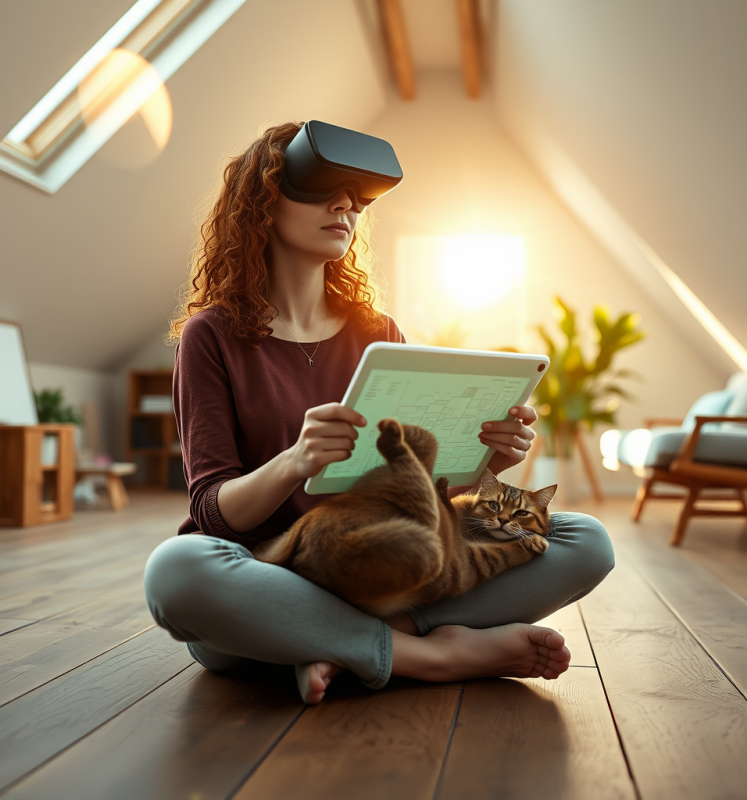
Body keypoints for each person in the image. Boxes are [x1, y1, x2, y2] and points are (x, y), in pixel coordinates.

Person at [143, 121, 615, 705]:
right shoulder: (209, 335)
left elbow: (430, 494)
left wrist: (482, 455)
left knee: (585, 539)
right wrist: (294, 463)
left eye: (354, 200)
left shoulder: (378, 334)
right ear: (262, 201)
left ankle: (340, 645)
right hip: (276, 569)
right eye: (321, 190)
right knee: (177, 571)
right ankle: (432, 655)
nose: (344, 205)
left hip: (385, 567)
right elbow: (213, 513)